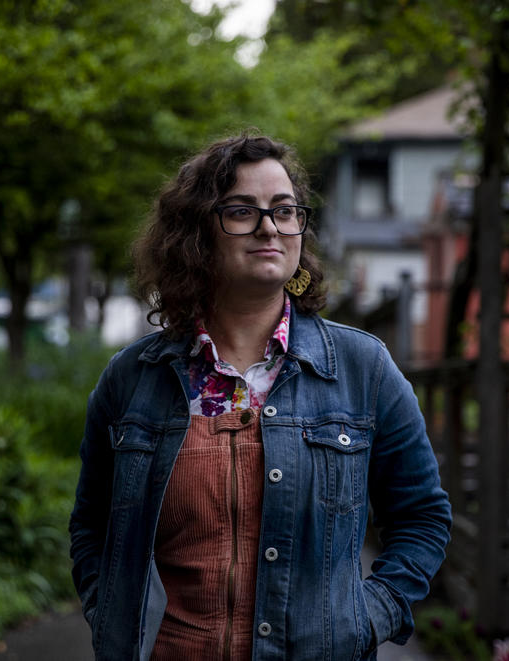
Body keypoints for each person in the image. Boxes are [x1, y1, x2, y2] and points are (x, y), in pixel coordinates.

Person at [69, 133, 451, 660]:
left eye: (285, 210)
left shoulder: (363, 370)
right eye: (243, 211)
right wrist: (107, 609)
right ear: (198, 233)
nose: (269, 226)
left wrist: (365, 619)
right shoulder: (132, 379)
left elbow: (422, 518)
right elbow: (93, 524)